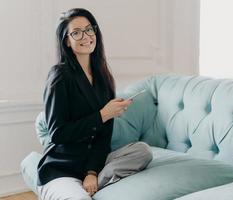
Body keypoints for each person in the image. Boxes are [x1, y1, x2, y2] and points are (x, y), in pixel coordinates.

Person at [37, 8, 153, 200]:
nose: (86, 36)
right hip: (63, 166)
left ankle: (95, 182)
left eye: (89, 29)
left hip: (95, 163)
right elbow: (58, 134)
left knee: (142, 151)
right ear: (67, 41)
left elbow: (103, 136)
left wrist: (91, 172)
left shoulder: (103, 78)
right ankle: (82, 188)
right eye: (76, 32)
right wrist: (103, 114)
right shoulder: (60, 75)